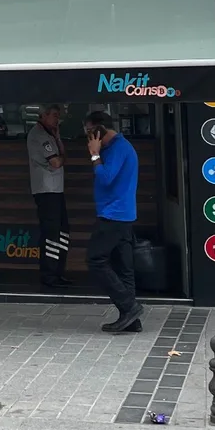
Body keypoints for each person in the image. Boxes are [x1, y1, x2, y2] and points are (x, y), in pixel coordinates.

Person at [84, 111, 143, 333]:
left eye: (90, 132)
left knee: (95, 259)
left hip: (113, 215)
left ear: (99, 130)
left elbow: (106, 178)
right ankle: (131, 320)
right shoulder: (116, 147)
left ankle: (129, 307)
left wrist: (94, 155)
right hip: (121, 213)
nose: (88, 137)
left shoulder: (118, 148)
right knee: (123, 267)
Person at [26, 104, 70, 287]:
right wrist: (63, 156)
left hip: (56, 189)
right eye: (54, 115)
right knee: (51, 233)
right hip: (46, 190)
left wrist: (58, 137)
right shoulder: (39, 135)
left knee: (62, 231)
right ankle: (49, 275)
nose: (57, 119)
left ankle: (58, 271)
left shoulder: (50, 134)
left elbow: (61, 156)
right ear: (43, 115)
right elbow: (56, 162)